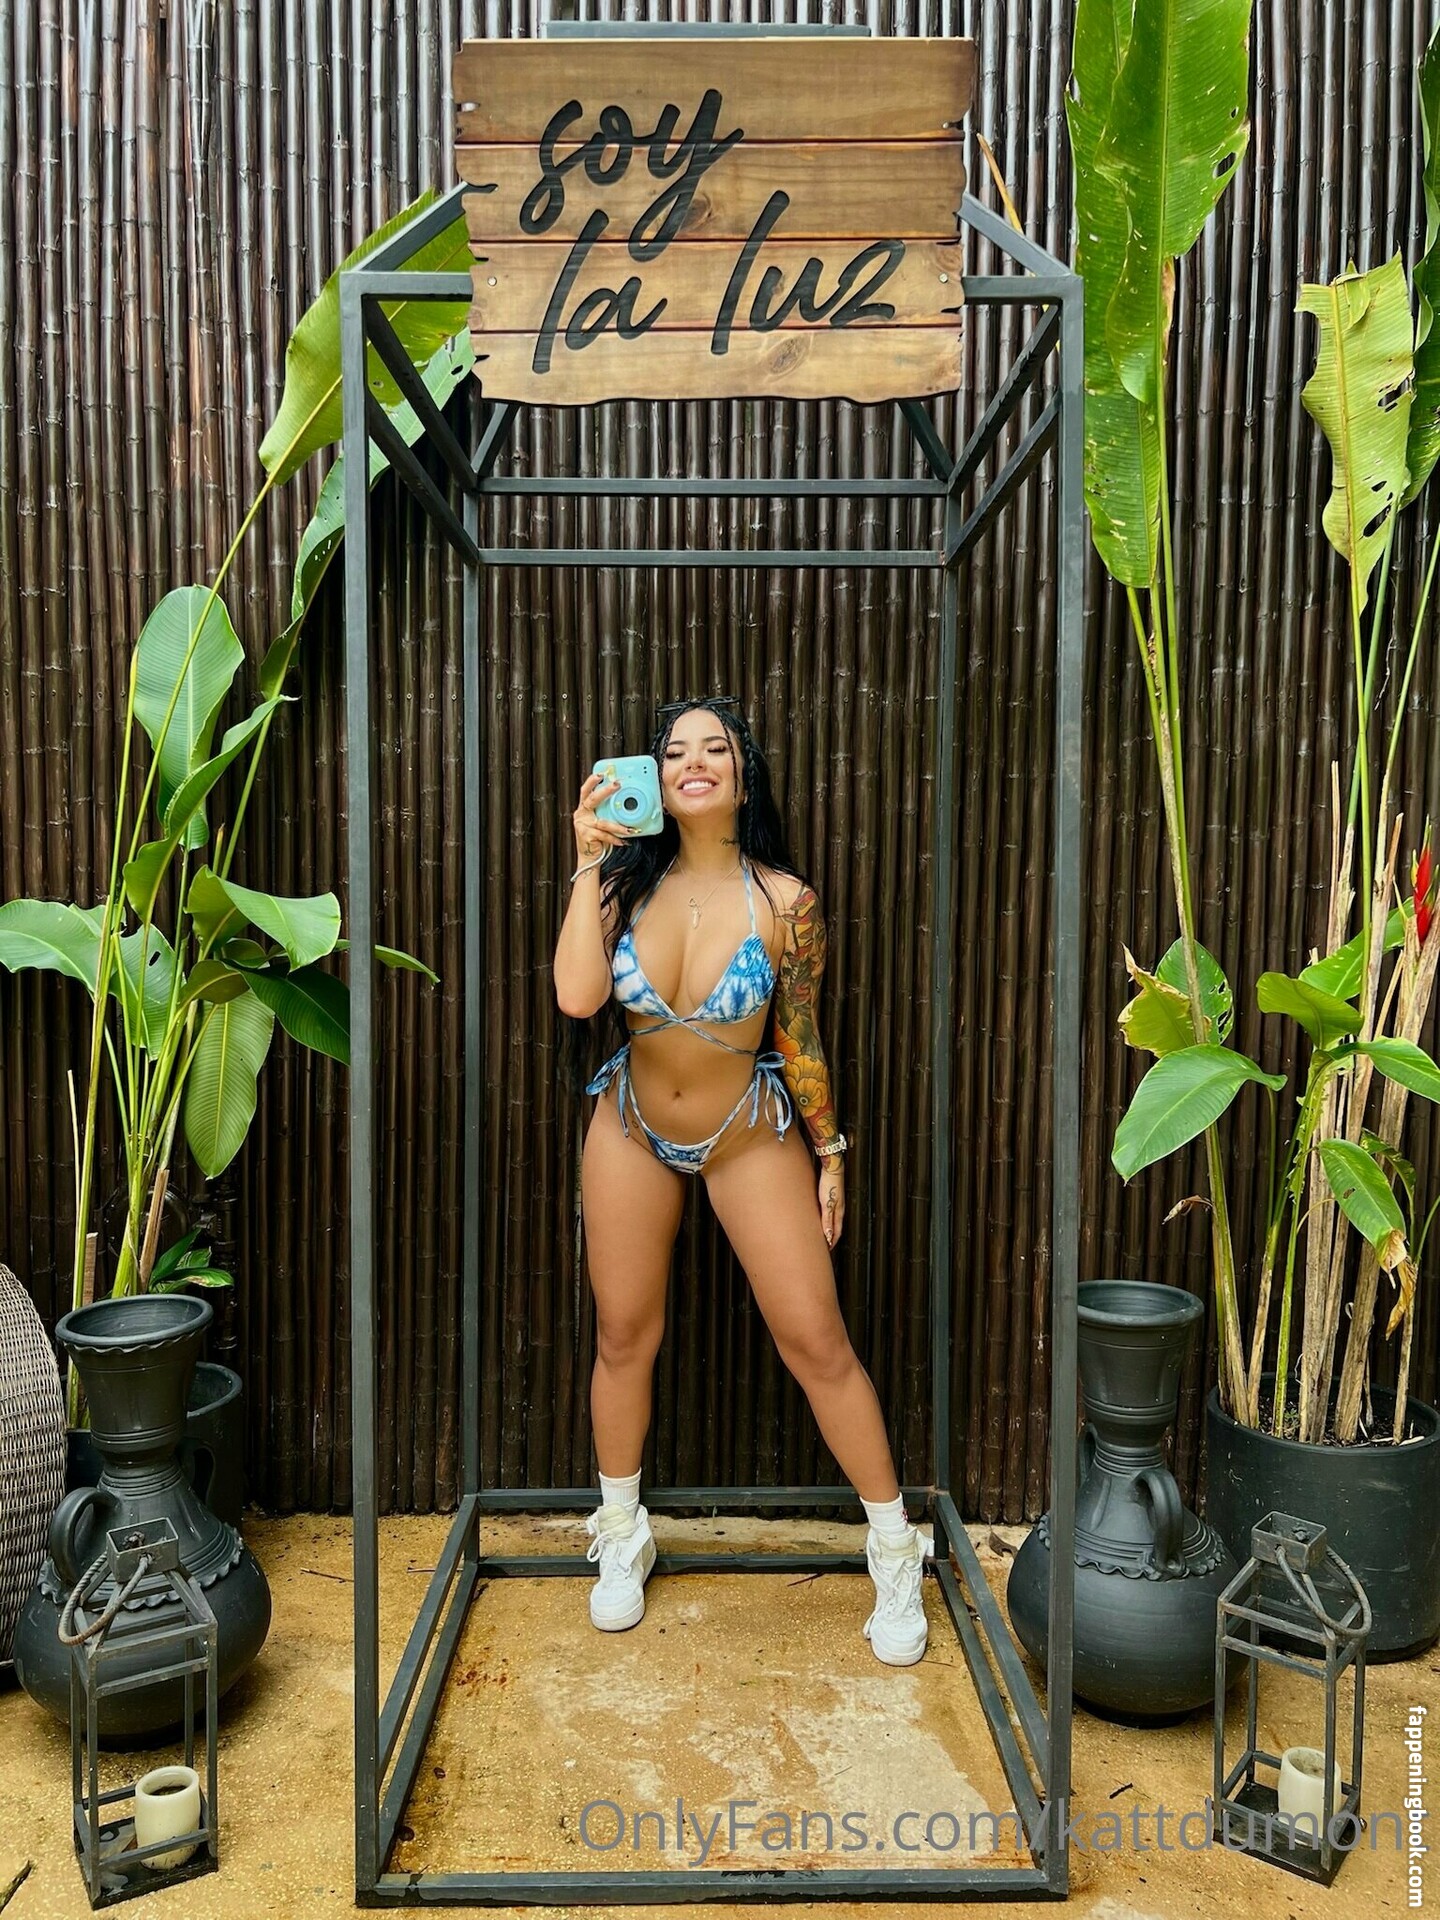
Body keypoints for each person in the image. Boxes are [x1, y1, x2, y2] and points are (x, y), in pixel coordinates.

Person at [553, 694, 930, 1665]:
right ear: (654, 778)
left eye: (713, 748)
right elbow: (579, 997)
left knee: (817, 1339)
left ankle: (896, 1550)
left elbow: (799, 1035)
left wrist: (831, 1152)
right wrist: (587, 862)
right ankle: (623, 1533)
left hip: (746, 1133)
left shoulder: (786, 901)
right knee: (624, 1336)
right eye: (674, 750)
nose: (693, 761)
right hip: (629, 1126)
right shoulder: (620, 887)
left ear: (742, 773)